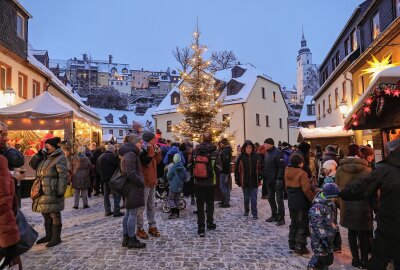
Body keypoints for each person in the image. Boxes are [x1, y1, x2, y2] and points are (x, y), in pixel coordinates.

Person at [340, 139, 400, 270]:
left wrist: (342, 193)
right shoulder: (378, 169)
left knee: (379, 259)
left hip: (389, 223)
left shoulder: (384, 169)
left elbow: (362, 189)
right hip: (388, 221)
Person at [335, 144, 372, 269]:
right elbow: (372, 190)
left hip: (347, 204)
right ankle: (365, 260)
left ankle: (355, 259)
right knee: (364, 234)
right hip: (364, 206)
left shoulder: (340, 169)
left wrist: (340, 203)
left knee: (351, 233)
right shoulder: (367, 170)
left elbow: (336, 189)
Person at [32, 137, 68, 248]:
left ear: (54, 146)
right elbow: (33, 166)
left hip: (52, 190)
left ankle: (56, 238)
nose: (46, 147)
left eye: (49, 146)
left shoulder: (60, 158)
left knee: (54, 213)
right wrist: (38, 155)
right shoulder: (44, 157)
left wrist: (61, 191)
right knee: (45, 212)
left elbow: (63, 175)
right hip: (43, 189)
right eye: (45, 145)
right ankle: (49, 235)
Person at [0, 122, 24, 269]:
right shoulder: (1, 160)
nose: (6, 139)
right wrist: (10, 240)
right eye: (2, 134)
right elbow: (2, 204)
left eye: (6, 134)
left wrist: (12, 177)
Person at [189, 131, 221, 237]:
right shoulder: (215, 153)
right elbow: (219, 168)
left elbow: (189, 165)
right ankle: (210, 224)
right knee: (210, 204)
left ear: (202, 138)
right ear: (211, 138)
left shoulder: (195, 152)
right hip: (210, 183)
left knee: (200, 205)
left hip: (198, 183)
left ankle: (201, 228)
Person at [118, 134, 146, 249]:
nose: (142, 145)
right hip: (132, 187)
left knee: (129, 213)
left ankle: (126, 238)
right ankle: (131, 239)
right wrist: (141, 182)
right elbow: (131, 173)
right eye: (140, 143)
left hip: (130, 187)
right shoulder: (131, 154)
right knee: (132, 214)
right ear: (134, 143)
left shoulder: (129, 153)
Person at [285, 153, 315, 255]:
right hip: (301, 202)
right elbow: (306, 189)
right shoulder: (302, 174)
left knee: (294, 222)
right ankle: (300, 246)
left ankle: (292, 243)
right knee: (302, 224)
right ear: (300, 163)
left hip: (291, 201)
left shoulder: (287, 171)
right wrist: (312, 199)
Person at [308, 182, 340, 270]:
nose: (335, 199)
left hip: (329, 237)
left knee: (327, 259)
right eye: (334, 197)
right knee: (319, 259)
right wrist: (324, 238)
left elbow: (333, 221)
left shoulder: (331, 204)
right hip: (319, 240)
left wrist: (336, 233)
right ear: (328, 196)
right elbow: (317, 226)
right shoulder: (317, 207)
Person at [136, 131, 162, 239]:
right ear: (149, 140)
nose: (155, 140)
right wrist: (151, 152)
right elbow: (145, 162)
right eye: (153, 139)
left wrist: (158, 152)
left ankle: (152, 226)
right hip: (145, 182)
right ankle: (140, 228)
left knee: (151, 205)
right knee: (141, 207)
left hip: (152, 181)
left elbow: (159, 162)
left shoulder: (152, 148)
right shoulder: (143, 149)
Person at [235, 140, 263, 220]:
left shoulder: (256, 156)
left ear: (252, 148)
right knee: (246, 198)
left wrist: (260, 176)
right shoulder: (241, 157)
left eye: (250, 147)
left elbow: (261, 167)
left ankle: (255, 213)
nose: (248, 149)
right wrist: (237, 180)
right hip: (245, 181)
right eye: (247, 147)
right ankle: (246, 210)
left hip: (254, 181)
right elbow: (237, 170)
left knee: (254, 199)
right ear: (244, 148)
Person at [263, 138, 285, 226]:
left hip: (276, 180)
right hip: (268, 180)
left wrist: (279, 178)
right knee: (270, 198)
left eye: (266, 144)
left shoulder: (278, 153)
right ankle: (274, 214)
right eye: (264, 144)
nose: (264, 145)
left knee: (279, 199)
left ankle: (281, 217)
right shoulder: (267, 153)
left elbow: (281, 167)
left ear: (271, 144)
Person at [97, 144, 124, 217]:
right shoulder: (113, 157)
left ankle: (107, 210)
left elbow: (97, 168)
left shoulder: (100, 157)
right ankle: (116, 211)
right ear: (113, 150)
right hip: (113, 179)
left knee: (106, 195)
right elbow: (118, 166)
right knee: (116, 194)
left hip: (104, 179)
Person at [166, 153, 190, 219]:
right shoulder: (183, 167)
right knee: (177, 199)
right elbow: (186, 177)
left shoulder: (173, 167)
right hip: (180, 186)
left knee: (170, 198)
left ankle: (173, 212)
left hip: (173, 186)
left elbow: (168, 176)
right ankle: (177, 214)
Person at [218, 138, 232, 208]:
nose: (220, 144)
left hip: (224, 171)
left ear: (223, 143)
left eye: (221, 143)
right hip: (225, 170)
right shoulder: (227, 150)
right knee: (226, 186)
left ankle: (226, 202)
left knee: (223, 187)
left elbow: (224, 161)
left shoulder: (226, 151)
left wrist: (221, 167)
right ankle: (225, 200)